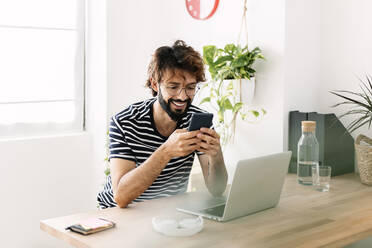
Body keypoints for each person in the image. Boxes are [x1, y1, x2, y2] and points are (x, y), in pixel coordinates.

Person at [97, 40, 228, 209]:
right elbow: (121, 196)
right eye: (173, 87)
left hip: (168, 214)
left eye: (190, 88)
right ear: (154, 84)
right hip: (119, 214)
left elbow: (216, 190)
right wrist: (166, 151)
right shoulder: (124, 122)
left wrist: (216, 156)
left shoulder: (197, 119)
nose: (182, 97)